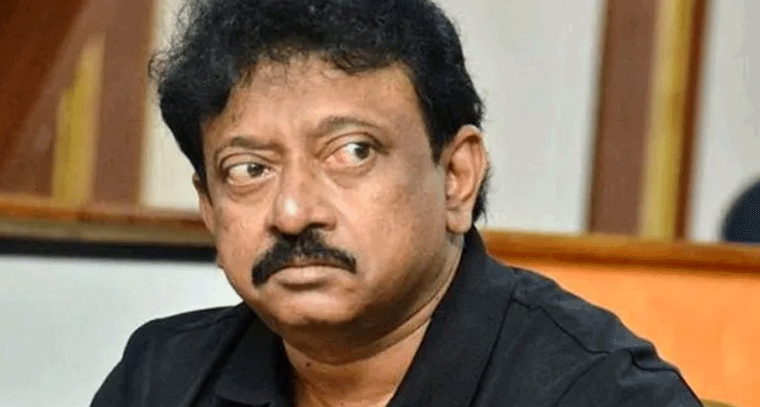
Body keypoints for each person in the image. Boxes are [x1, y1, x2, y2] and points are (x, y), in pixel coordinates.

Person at [91, 0, 701, 405]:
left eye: (352, 152)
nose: (294, 212)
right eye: (249, 169)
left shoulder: (599, 393)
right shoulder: (162, 380)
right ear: (209, 208)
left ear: (456, 176)